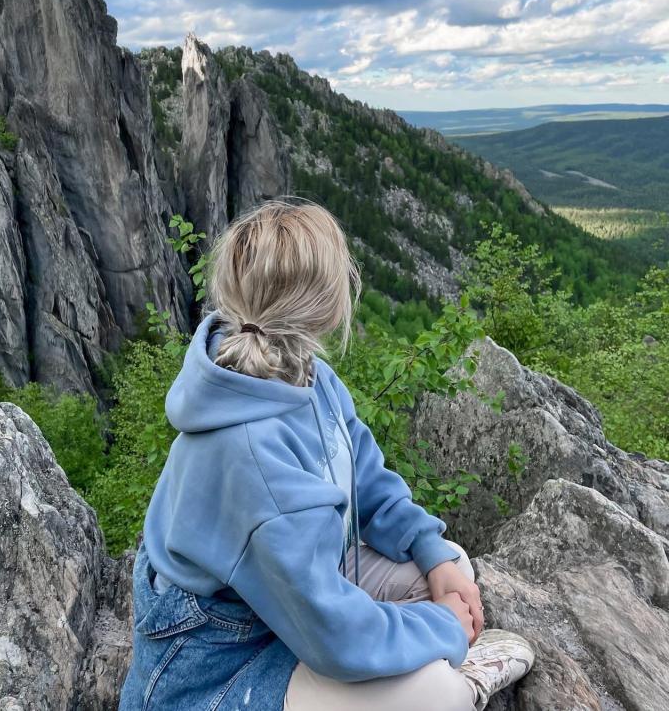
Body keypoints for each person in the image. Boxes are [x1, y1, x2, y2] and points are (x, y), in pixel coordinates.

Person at [118, 197, 535, 711]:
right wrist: (446, 626)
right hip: (216, 661)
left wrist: (432, 552)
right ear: (330, 307)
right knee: (437, 694)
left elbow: (368, 479)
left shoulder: (307, 375)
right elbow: (334, 635)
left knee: (453, 567)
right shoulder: (253, 457)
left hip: (288, 599)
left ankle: (426, 648)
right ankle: (452, 674)